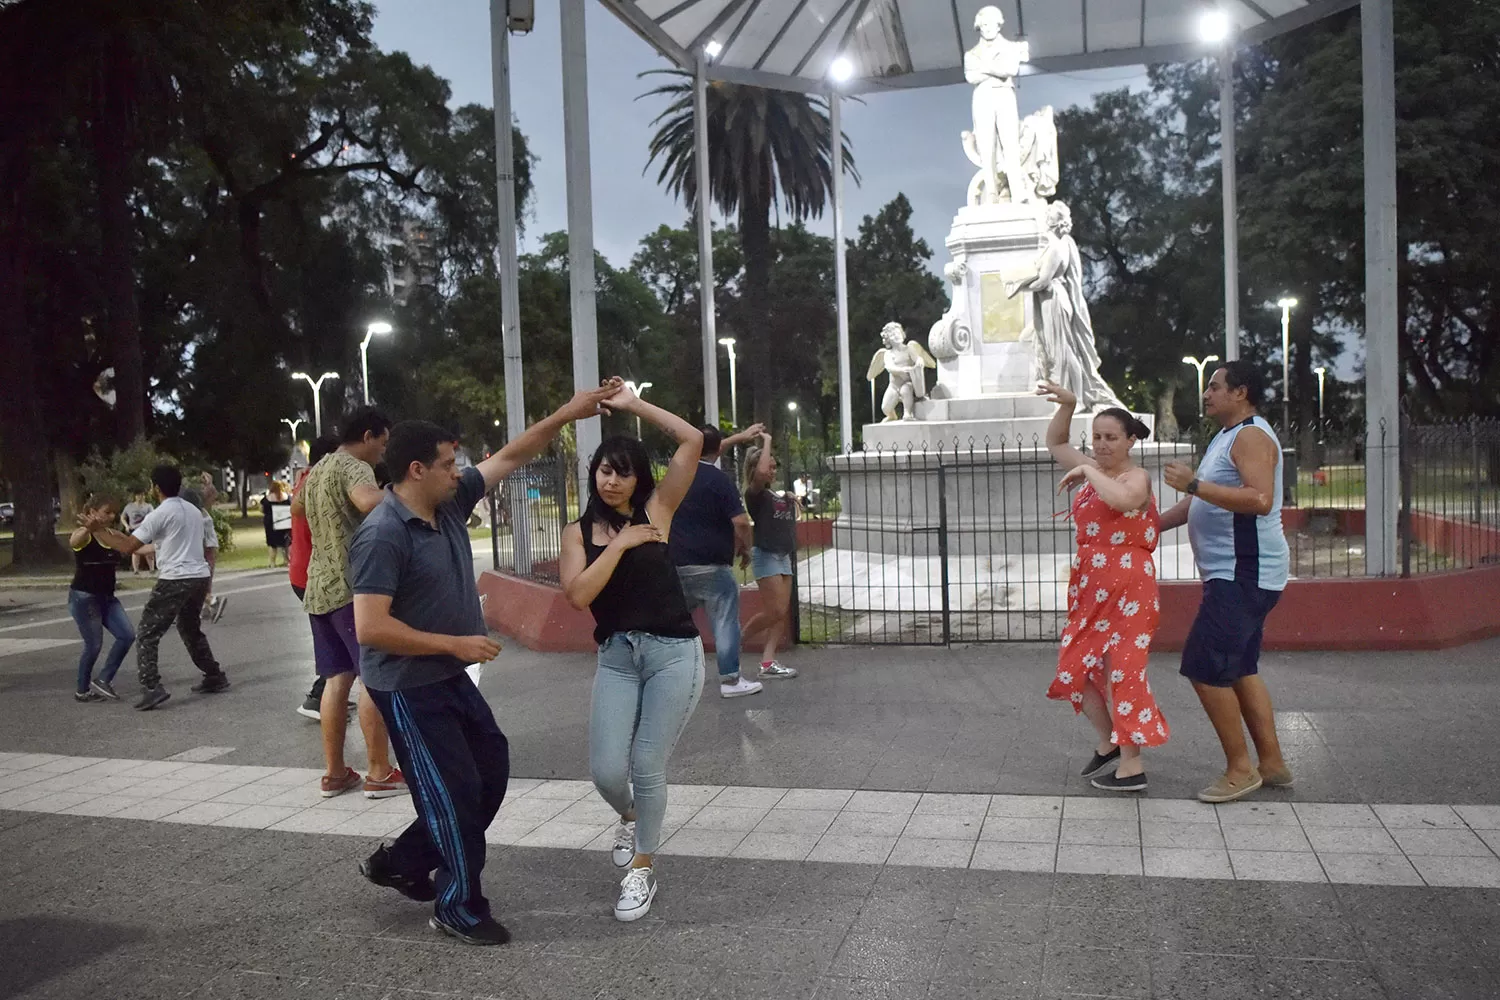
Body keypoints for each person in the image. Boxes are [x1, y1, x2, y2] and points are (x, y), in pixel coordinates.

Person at [352, 386, 617, 946]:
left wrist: (568, 411)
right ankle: (458, 906)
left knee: (489, 771)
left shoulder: (447, 501)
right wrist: (454, 644)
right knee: (451, 792)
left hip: (447, 673)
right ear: (417, 469)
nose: (461, 472)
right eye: (449, 465)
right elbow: (370, 627)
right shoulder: (382, 534)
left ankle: (401, 859)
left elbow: (514, 454)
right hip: (407, 685)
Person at [560, 380, 706, 923]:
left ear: (639, 477)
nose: (613, 480)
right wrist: (619, 543)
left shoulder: (658, 510)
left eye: (624, 471)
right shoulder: (577, 534)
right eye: (605, 469)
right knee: (603, 770)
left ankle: (642, 868)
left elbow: (692, 441)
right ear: (594, 473)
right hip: (618, 658)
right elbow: (577, 597)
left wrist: (636, 404)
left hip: (672, 654)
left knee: (646, 764)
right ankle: (630, 816)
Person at [1163, 360, 1292, 805]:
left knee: (1203, 664)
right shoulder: (1225, 437)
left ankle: (1240, 769)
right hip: (1238, 573)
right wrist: (1152, 527)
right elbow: (1200, 505)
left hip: (1244, 572)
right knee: (1239, 667)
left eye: (1215, 386)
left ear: (1240, 393)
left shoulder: (1251, 435)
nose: (1206, 393)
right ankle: (1271, 763)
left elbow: (1259, 499)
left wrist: (1194, 484)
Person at [1039, 382, 1169, 792]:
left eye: (1111, 437)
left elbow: (1124, 502)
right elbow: (1057, 441)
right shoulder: (1093, 467)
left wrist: (1089, 470)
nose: (1101, 445)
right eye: (1096, 437)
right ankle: (1110, 741)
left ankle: (1132, 764)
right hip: (1092, 584)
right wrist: (1069, 405)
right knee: (1074, 666)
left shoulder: (1137, 476)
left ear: (1131, 440)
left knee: (1123, 669)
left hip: (1130, 584)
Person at [294, 408, 404, 800]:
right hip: (351, 586)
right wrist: (399, 492)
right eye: (383, 443)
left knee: (336, 680)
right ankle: (378, 771)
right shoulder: (355, 466)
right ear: (369, 436)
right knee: (372, 677)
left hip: (317, 587)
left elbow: (296, 508)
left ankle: (335, 773)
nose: (383, 452)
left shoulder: (318, 468)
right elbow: (366, 501)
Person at [91, 465, 228, 710]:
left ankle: (152, 687)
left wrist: (98, 531)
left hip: (175, 578)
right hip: (198, 576)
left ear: (155, 488)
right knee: (189, 628)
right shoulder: (193, 510)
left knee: (147, 632)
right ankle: (214, 675)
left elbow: (128, 547)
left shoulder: (160, 513)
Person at [669, 422, 770, 699]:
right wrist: (746, 548)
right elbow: (740, 522)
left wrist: (736, 438)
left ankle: (669, 677)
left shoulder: (676, 474)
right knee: (724, 622)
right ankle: (730, 680)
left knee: (674, 623)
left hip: (676, 563)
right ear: (716, 450)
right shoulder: (719, 480)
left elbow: (705, 449)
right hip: (712, 565)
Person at [740, 431, 800, 680]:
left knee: (781, 612)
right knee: (774, 610)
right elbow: (761, 474)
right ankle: (738, 640)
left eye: (776, 467)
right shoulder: (754, 493)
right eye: (769, 467)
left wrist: (788, 497)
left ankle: (768, 662)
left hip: (784, 556)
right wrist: (766, 441)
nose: (772, 471)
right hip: (766, 555)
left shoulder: (775, 495)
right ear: (755, 469)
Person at [68, 495, 136, 702]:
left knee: (126, 635)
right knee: (94, 644)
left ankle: (103, 679)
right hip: (85, 597)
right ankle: (82, 690)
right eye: (106, 511)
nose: (111, 516)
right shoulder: (84, 534)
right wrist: (89, 528)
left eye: (113, 512)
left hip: (107, 597)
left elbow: (133, 546)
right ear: (92, 512)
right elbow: (74, 541)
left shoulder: (111, 534)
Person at [291, 436, 341, 721]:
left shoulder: (306, 481)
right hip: (315, 572)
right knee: (342, 643)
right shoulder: (319, 483)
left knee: (335, 640)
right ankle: (319, 697)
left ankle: (329, 694)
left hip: (304, 570)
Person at [119, 492, 155, 574]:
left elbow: (153, 517)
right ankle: (136, 570)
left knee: (148, 550)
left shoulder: (148, 506)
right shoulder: (129, 506)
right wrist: (126, 526)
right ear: (135, 496)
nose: (140, 497)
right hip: (134, 530)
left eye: (142, 495)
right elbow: (123, 517)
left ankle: (152, 569)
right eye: (138, 495)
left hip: (145, 530)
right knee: (135, 550)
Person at [261, 480, 293, 567]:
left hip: (271, 524)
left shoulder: (267, 498)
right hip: (284, 522)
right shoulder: (286, 497)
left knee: (272, 545)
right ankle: (287, 560)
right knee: (285, 543)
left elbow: (263, 510)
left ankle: (272, 563)